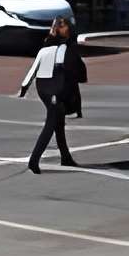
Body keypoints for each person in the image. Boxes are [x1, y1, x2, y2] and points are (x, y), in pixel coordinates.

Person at [15, 18, 84, 173]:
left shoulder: (44, 50)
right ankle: (34, 160)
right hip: (55, 87)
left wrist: (24, 88)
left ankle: (65, 157)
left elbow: (32, 71)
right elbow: (73, 73)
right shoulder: (65, 49)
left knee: (58, 121)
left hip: (43, 87)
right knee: (51, 123)